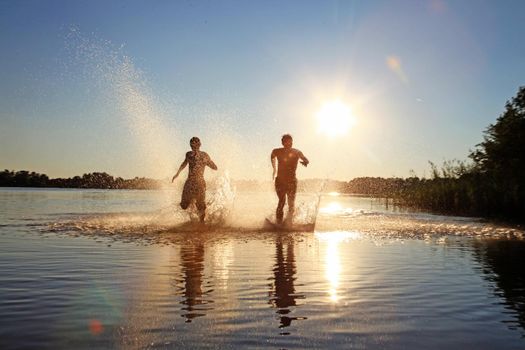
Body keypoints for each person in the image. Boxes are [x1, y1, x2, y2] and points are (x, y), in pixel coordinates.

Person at [172, 137, 217, 223]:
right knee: (184, 206)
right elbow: (184, 163)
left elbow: (215, 167)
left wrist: (207, 161)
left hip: (198, 182)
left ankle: (201, 224)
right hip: (192, 183)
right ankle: (194, 205)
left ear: (199, 145)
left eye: (194, 145)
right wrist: (177, 173)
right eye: (192, 146)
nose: (193, 148)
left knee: (200, 207)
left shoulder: (203, 155)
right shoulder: (190, 154)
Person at [271, 134, 309, 225]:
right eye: (286, 142)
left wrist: (305, 162)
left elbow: (306, 159)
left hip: (292, 181)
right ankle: (279, 224)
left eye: (290, 141)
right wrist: (274, 168)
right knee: (282, 201)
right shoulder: (277, 151)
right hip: (280, 181)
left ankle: (289, 223)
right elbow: (272, 156)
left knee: (291, 204)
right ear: (282, 143)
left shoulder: (297, 152)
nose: (289, 144)